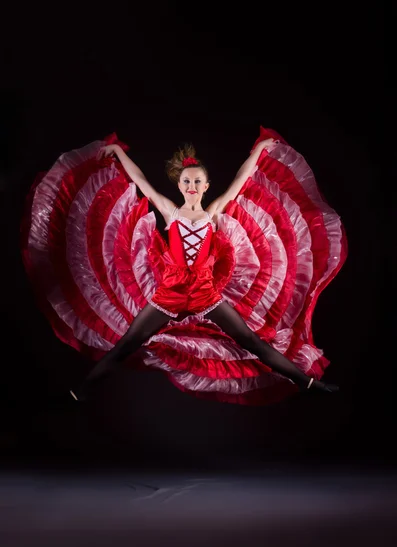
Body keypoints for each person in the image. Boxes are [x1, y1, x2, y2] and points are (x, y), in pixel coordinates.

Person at [21, 128, 347, 406]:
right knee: (127, 345)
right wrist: (118, 153)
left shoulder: (214, 212)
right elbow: (141, 181)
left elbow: (241, 177)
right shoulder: (170, 212)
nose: (191, 187)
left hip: (206, 293)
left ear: (206, 187)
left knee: (253, 343)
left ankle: (310, 384)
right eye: (187, 182)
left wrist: (260, 149)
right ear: (180, 186)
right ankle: (81, 391)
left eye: (197, 182)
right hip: (170, 293)